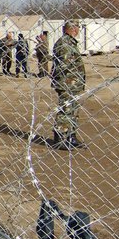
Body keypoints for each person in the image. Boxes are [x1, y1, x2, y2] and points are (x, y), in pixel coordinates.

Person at [50, 20, 87, 150]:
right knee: (65, 110)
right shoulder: (65, 43)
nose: (78, 30)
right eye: (77, 27)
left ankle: (71, 136)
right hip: (67, 83)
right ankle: (60, 137)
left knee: (73, 111)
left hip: (73, 83)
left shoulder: (70, 42)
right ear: (72, 28)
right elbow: (65, 65)